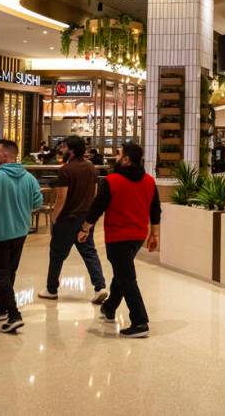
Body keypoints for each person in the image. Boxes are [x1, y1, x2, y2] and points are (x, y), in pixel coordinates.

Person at [78, 142, 160, 338]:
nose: (115, 156)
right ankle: (109, 308)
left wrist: (85, 228)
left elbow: (97, 207)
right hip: (138, 236)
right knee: (122, 272)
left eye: (118, 154)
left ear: (126, 159)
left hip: (118, 236)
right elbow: (155, 209)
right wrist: (154, 234)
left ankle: (140, 322)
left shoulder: (112, 181)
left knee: (127, 277)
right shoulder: (149, 181)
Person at [0, 139, 43, 333]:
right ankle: (1, 307)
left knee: (0, 274)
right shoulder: (29, 178)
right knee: (9, 272)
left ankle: (14, 314)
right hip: (21, 231)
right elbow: (37, 203)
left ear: (5, 156)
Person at [39, 135, 108, 303]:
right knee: (89, 252)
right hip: (85, 217)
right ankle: (100, 287)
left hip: (67, 218)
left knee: (57, 254)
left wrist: (54, 217)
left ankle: (51, 288)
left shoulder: (66, 170)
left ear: (71, 150)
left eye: (64, 147)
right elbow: (94, 193)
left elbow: (61, 199)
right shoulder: (91, 168)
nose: (61, 150)